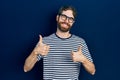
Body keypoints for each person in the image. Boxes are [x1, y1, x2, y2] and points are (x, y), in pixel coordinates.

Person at [24, 6, 96, 80]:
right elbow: (26, 68)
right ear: (57, 17)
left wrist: (83, 60)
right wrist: (35, 52)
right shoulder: (44, 42)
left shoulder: (80, 42)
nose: (66, 21)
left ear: (73, 22)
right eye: (63, 16)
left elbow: (92, 71)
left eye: (70, 19)